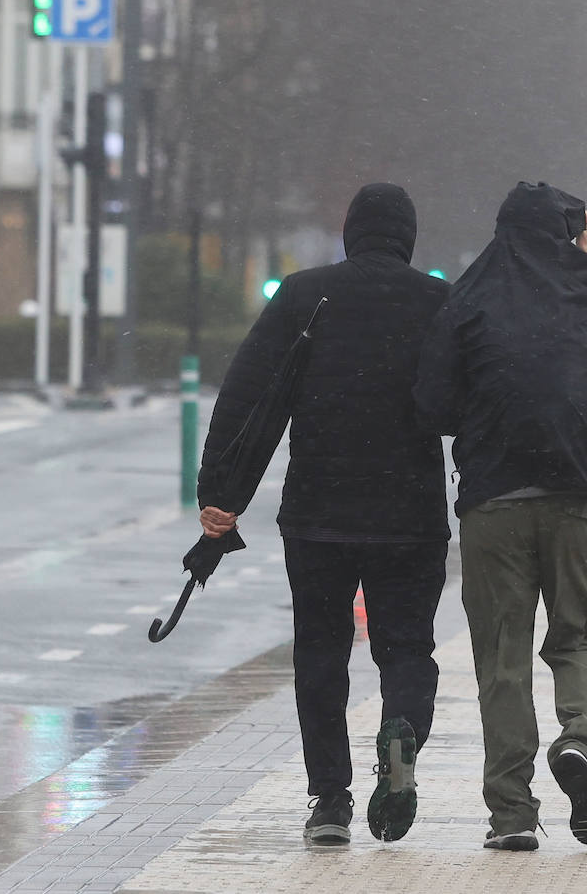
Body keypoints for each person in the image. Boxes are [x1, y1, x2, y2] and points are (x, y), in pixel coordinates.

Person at [197, 183, 451, 845]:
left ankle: (330, 802)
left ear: (349, 233)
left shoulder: (306, 295)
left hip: (318, 512)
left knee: (320, 651)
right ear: (408, 237)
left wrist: (220, 491)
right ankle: (400, 732)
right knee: (407, 648)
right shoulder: (436, 302)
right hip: (410, 513)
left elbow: (250, 394)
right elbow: (470, 399)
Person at [412, 181, 587, 851]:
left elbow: (430, 403)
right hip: (582, 491)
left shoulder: (469, 294)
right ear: (570, 232)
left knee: (503, 657)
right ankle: (581, 743)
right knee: (581, 636)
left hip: (494, 498)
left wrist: (486, 409)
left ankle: (513, 813)